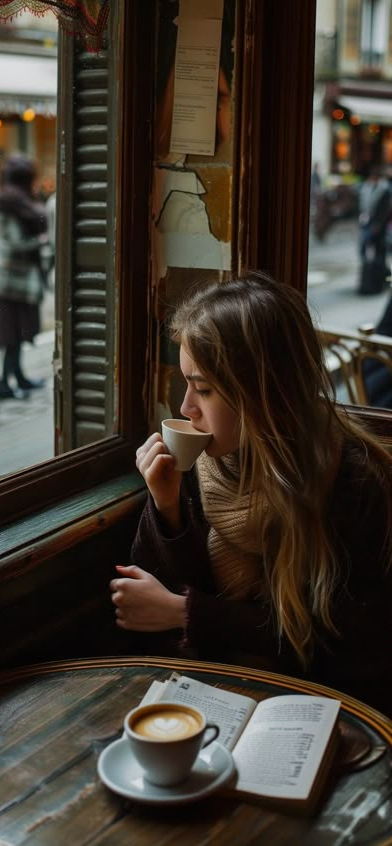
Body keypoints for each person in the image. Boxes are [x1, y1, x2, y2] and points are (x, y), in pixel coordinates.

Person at [110, 275, 392, 714]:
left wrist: (189, 614)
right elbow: (141, 611)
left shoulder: (355, 482)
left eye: (203, 389)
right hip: (213, 695)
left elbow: (357, 645)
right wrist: (165, 508)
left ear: (265, 393)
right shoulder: (200, 463)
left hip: (319, 707)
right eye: (187, 384)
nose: (186, 408)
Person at [0, 153, 49, 400]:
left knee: (16, 334)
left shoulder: (10, 201)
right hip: (9, 281)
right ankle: (4, 385)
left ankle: (17, 377)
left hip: (12, 281)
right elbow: (11, 242)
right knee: (9, 335)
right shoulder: (8, 205)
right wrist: (40, 241)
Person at [358, 166, 390, 269]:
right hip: (366, 221)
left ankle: (380, 270)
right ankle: (368, 267)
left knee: (379, 248)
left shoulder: (384, 191)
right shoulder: (366, 188)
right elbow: (361, 205)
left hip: (379, 225)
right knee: (364, 244)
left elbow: (385, 211)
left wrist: (378, 224)